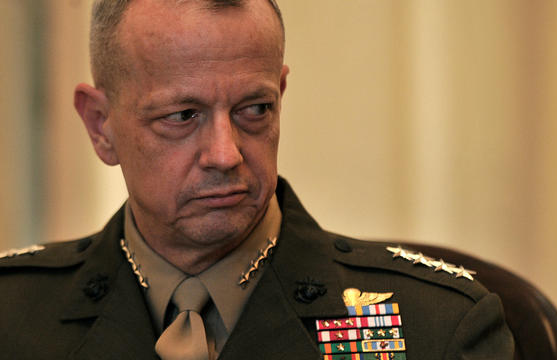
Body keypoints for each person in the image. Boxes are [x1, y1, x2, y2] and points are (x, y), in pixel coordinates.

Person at [0, 0, 514, 359]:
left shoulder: (437, 327)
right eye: (183, 116)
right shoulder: (12, 317)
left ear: (281, 94)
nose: (225, 154)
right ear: (101, 125)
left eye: (254, 109)